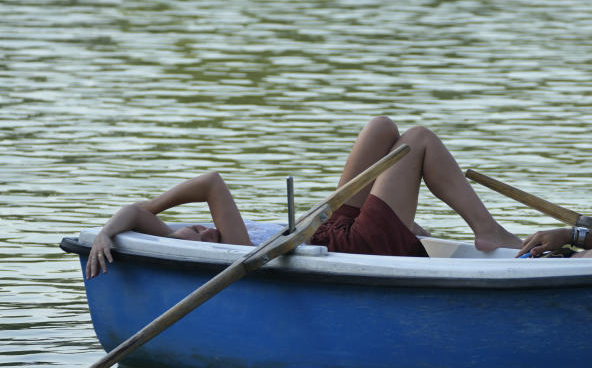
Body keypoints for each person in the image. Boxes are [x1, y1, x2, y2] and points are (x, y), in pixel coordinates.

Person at [86, 116, 522, 279]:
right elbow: (212, 183)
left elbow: (135, 214)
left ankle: (420, 226)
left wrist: (110, 231)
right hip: (352, 249)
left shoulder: (201, 237)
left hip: (326, 231)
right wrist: (159, 214)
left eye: (196, 229)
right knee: (418, 139)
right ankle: (488, 232)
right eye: (204, 238)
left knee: (382, 128)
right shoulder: (235, 250)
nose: (203, 229)